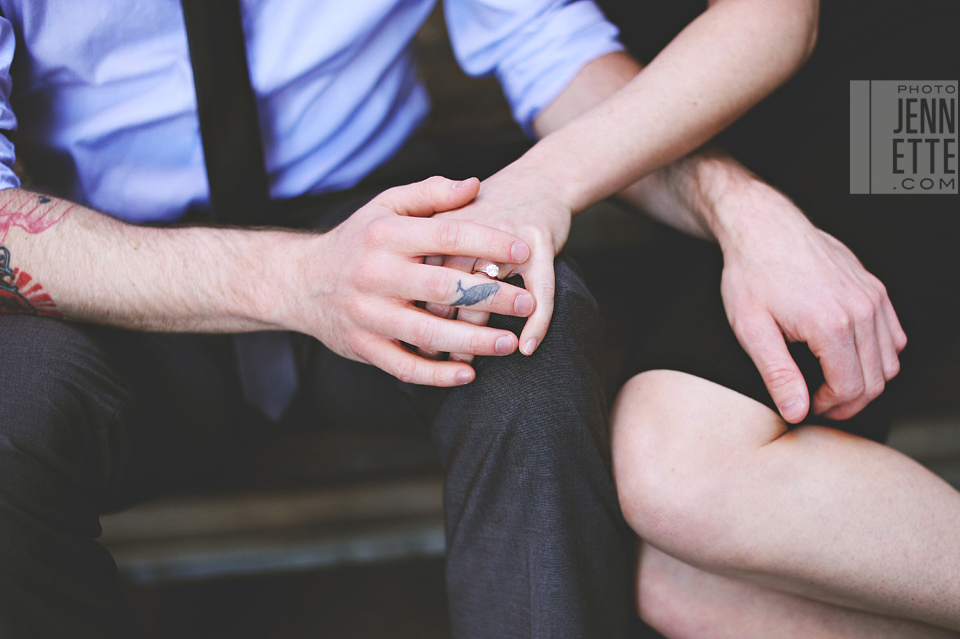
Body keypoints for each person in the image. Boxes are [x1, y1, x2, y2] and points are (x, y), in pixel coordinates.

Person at [593, 0, 960, 636]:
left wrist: (537, 188)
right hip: (730, 149)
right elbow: (551, 58)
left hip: (914, 99)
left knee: (684, 466)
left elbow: (775, 16)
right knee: (678, 582)